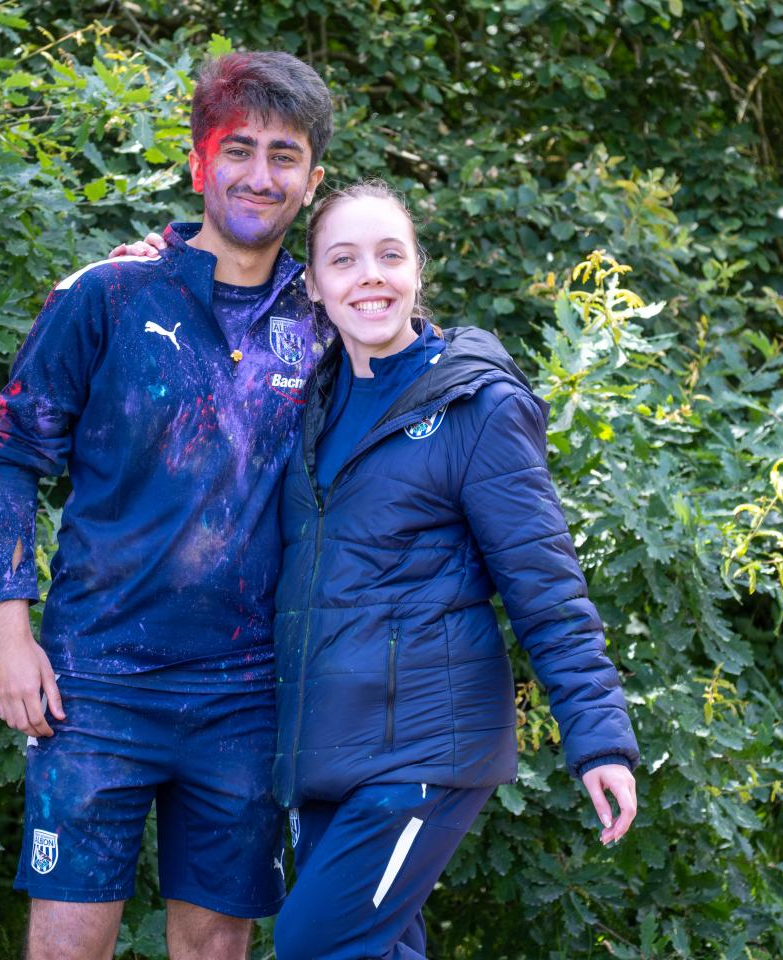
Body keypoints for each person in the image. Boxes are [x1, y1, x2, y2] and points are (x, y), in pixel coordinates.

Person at [0, 52, 331, 960]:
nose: (261, 174)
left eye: (284, 154)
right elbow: (15, 460)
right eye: (240, 149)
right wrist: (10, 636)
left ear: (312, 177)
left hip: (248, 695)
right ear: (198, 163)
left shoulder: (326, 321)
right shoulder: (107, 294)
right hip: (93, 683)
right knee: (66, 946)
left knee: (215, 948)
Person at [265, 180, 641, 960]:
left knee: (312, 943)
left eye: (389, 255)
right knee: (380, 948)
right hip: (327, 745)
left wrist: (600, 739)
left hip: (423, 748)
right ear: (315, 286)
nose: (369, 275)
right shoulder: (309, 402)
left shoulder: (475, 406)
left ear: (416, 271)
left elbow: (546, 584)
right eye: (344, 259)